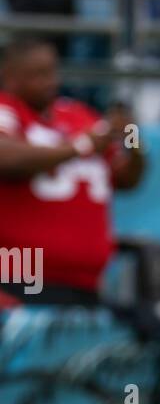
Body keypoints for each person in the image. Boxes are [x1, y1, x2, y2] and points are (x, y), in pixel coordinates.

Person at [0, 34, 146, 308]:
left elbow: (129, 178)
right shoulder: (8, 110)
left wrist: (132, 134)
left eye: (53, 71)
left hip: (84, 284)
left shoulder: (78, 114)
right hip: (18, 279)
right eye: (38, 74)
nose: (50, 81)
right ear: (10, 77)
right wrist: (80, 146)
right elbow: (5, 157)